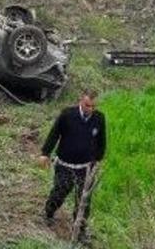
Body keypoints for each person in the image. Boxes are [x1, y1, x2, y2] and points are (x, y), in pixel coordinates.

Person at [39, 90, 107, 242]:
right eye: (87, 105)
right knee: (60, 191)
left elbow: (101, 141)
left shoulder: (99, 118)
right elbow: (54, 134)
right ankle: (48, 213)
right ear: (80, 101)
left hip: (86, 167)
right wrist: (45, 153)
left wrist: (99, 159)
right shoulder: (67, 115)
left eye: (93, 106)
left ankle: (80, 230)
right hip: (65, 164)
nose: (90, 109)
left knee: (84, 201)